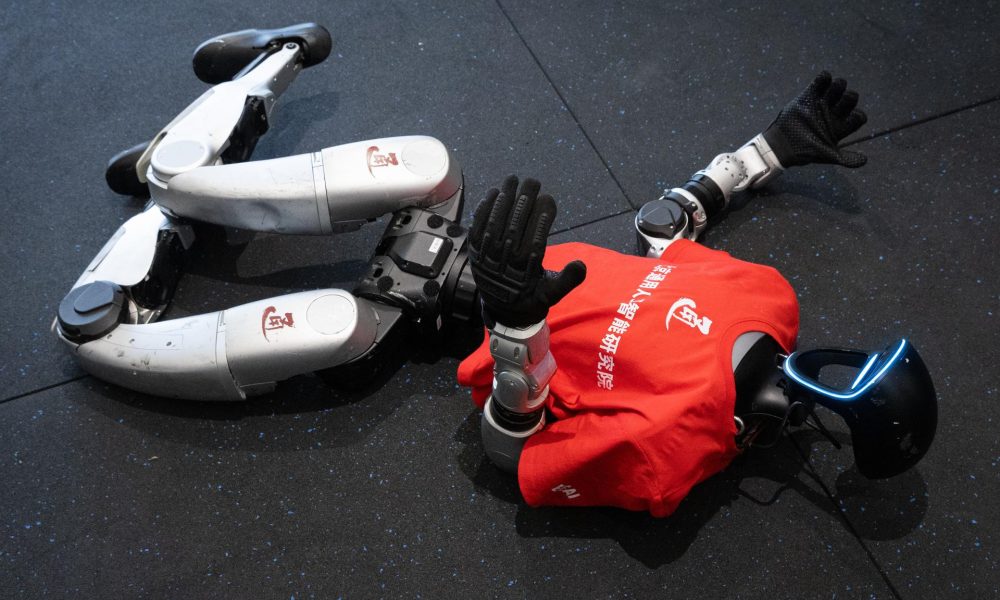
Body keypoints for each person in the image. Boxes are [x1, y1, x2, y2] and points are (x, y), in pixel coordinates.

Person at [457, 72, 937, 517]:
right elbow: (663, 233)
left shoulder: (669, 449)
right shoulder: (771, 296)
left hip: (464, 312)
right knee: (432, 169)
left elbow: (516, 456)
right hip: (511, 242)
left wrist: (516, 334)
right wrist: (761, 155)